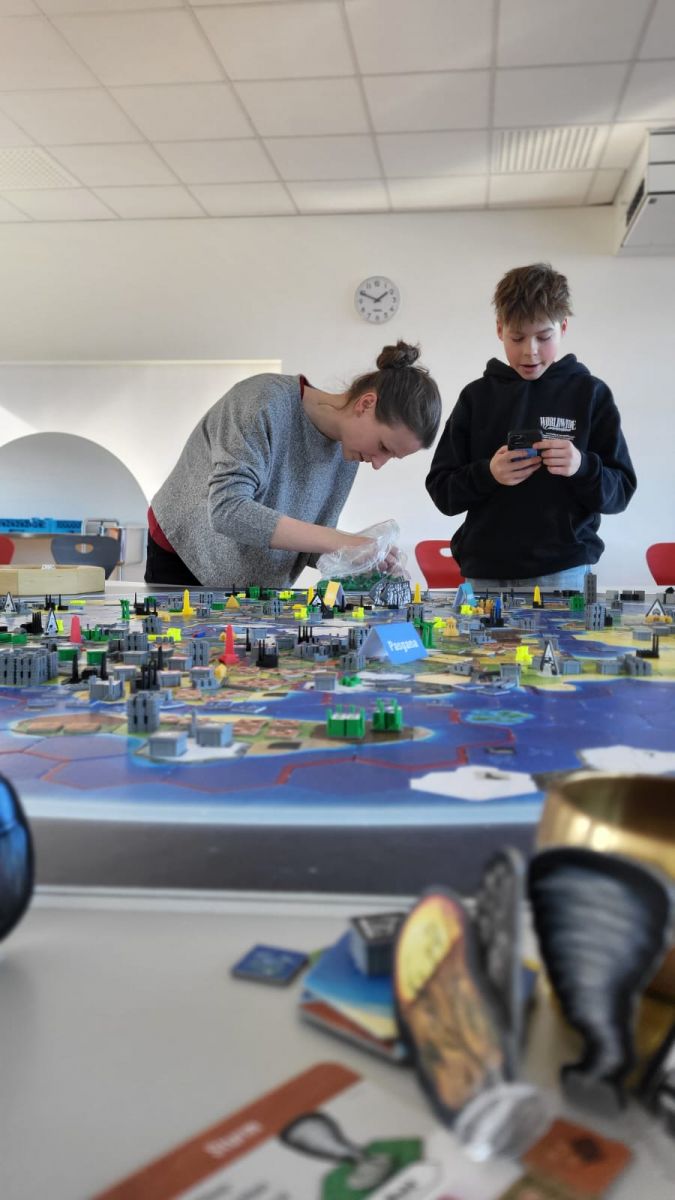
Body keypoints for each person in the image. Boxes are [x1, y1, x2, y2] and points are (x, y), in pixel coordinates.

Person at [145, 341, 442, 589]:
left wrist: (359, 561)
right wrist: (345, 542)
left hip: (249, 583)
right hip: (186, 556)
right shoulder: (262, 401)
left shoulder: (348, 452)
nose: (378, 464)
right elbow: (228, 510)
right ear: (366, 404)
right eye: (383, 447)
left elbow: (310, 541)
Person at [425, 263, 637, 591]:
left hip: (564, 570)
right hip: (486, 571)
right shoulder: (476, 397)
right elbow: (442, 491)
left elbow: (620, 491)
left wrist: (581, 467)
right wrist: (488, 473)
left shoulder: (590, 394)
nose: (530, 351)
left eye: (544, 337)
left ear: (563, 327)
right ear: (500, 329)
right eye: (517, 337)